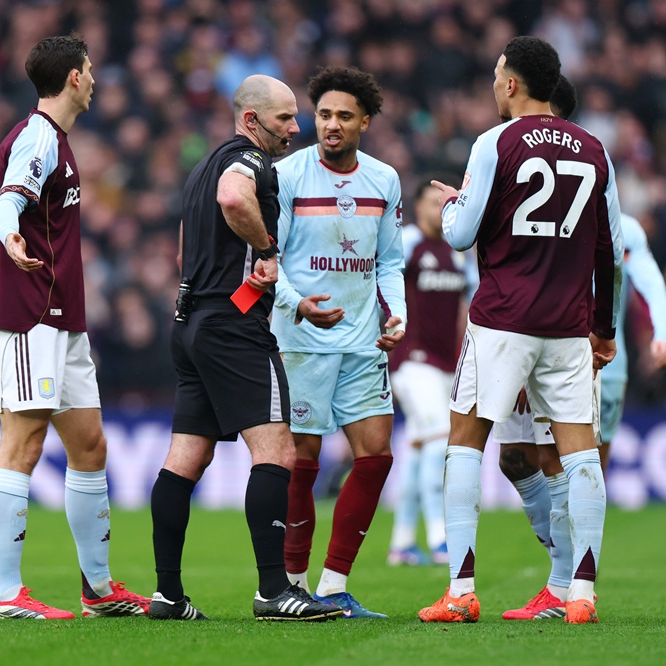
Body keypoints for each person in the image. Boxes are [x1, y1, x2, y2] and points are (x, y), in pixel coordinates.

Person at [417, 36, 623, 625]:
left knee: (464, 441)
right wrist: (602, 329)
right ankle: (578, 595)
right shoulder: (594, 148)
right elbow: (610, 250)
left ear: (511, 83)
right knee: (581, 455)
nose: (492, 84)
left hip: (503, 318)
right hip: (567, 325)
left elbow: (458, 235)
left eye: (495, 75)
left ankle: (460, 590)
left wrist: (457, 205)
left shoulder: (495, 141)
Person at [147, 74, 342, 623]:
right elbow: (235, 198)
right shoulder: (250, 163)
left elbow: (190, 245)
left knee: (186, 457)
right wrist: (267, 248)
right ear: (252, 119)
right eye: (284, 118)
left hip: (192, 322)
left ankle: (167, 595)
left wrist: (285, 298)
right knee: (278, 450)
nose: (295, 127)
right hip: (233, 329)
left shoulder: (201, 166)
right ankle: (274, 590)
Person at [496, 74, 666, 620]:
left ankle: (569, 585)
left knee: (566, 463)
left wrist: (650, 331)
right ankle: (571, 580)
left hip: (582, 352)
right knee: (524, 459)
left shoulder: (601, 213)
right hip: (564, 345)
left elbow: (633, 269)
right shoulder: (564, 190)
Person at [0, 33, 149, 620]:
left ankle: (99, 591)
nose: (96, 78)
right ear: (74, 78)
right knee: (23, 444)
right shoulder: (37, 138)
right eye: (90, 69)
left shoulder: (57, 140)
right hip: (32, 318)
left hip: (63, 321)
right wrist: (10, 236)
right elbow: (9, 202)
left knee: (89, 446)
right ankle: (5, 596)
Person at [273, 66, 407, 619]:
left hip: (362, 342)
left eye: (344, 116)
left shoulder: (385, 179)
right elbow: (269, 260)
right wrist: (296, 305)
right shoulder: (286, 176)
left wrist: (396, 314)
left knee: (375, 455)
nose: (331, 124)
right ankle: (292, 584)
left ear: (365, 122)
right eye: (324, 114)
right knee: (302, 459)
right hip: (302, 340)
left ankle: (333, 584)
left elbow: (390, 261)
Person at [387, 179, 469, 567]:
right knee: (440, 443)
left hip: (444, 365)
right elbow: (378, 283)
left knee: (421, 450)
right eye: (434, 204)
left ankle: (402, 543)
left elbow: (468, 307)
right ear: (418, 208)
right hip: (411, 360)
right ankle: (440, 538)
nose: (441, 211)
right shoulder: (407, 243)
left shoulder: (456, 253)